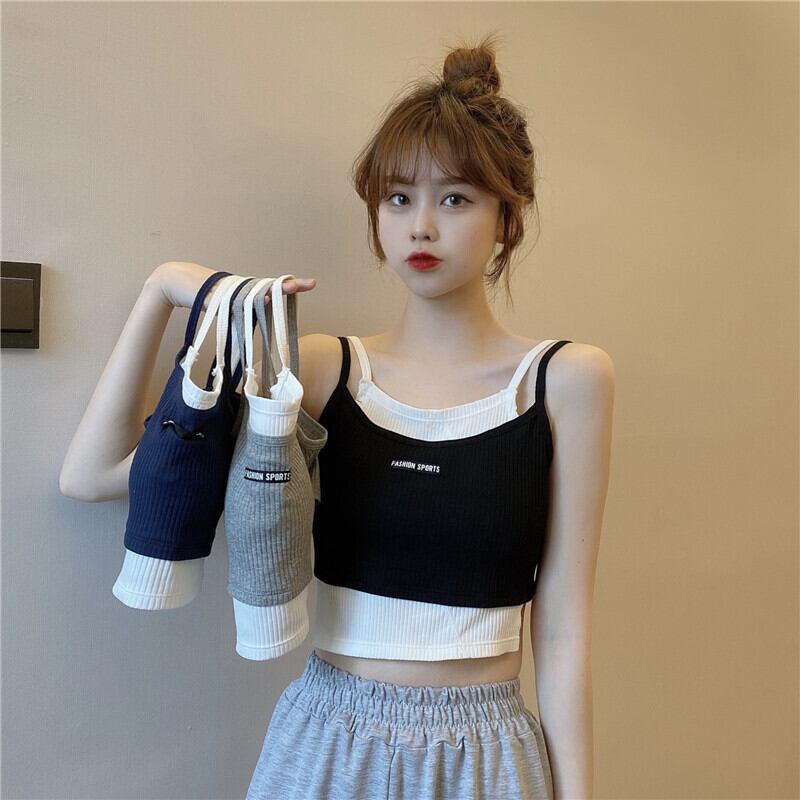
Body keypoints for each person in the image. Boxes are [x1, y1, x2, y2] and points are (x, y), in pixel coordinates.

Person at [60, 32, 614, 800]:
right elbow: (91, 477)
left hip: (486, 756)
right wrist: (163, 292)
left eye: (454, 198)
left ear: (506, 219)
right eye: (399, 198)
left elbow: (563, 630)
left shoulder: (564, 381)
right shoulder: (322, 371)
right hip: (328, 744)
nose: (421, 226)